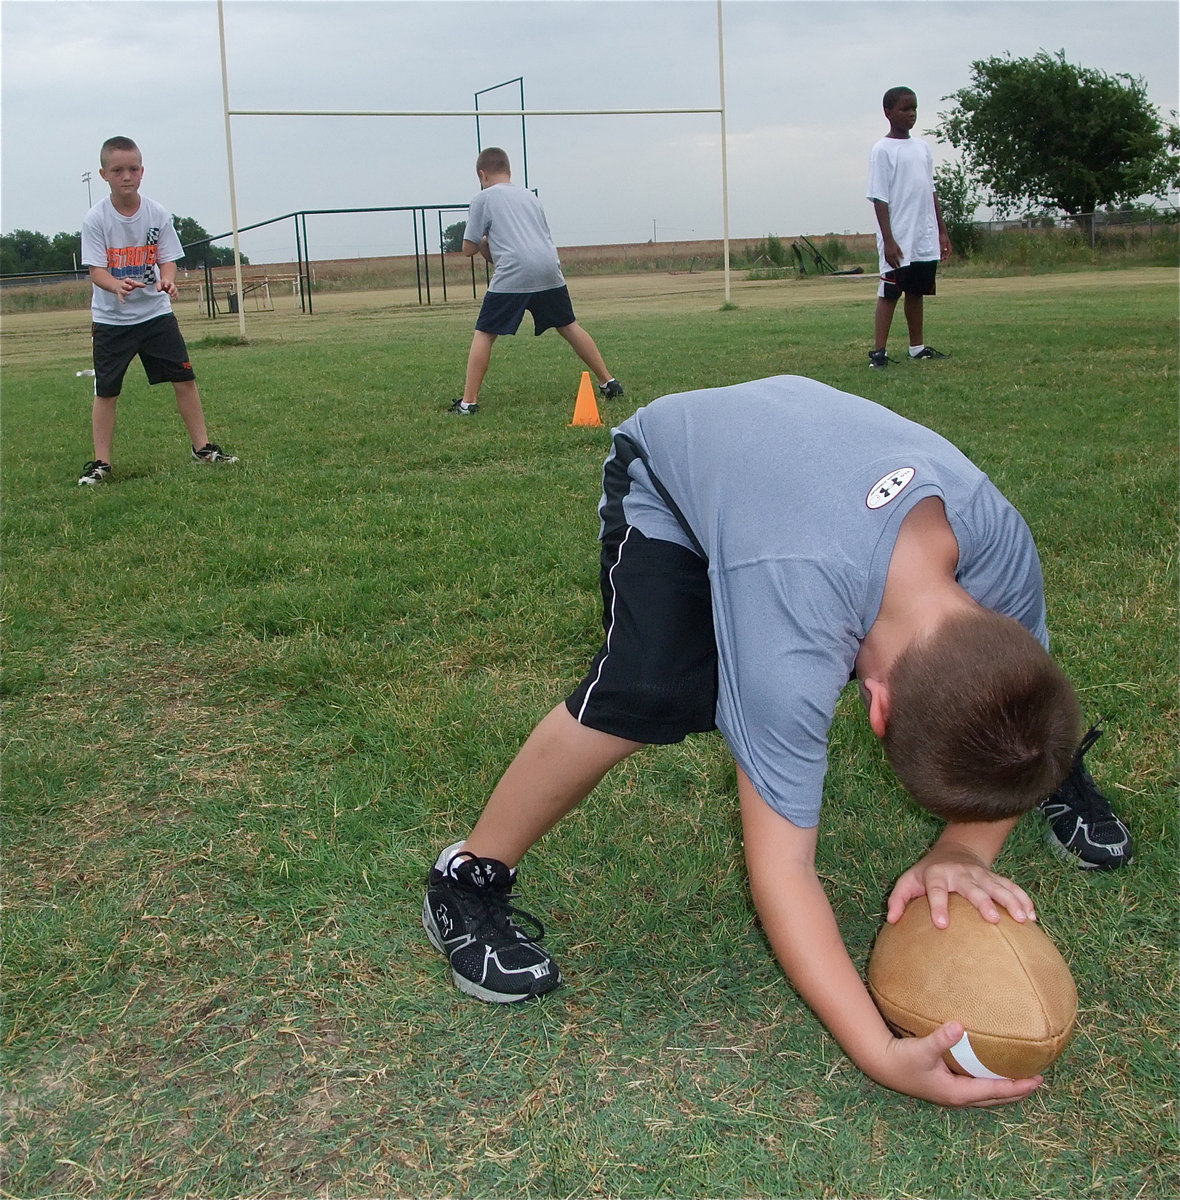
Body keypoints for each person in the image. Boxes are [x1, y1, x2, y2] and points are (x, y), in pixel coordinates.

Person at [423, 374, 1133, 1108]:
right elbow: (783, 870)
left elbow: (1022, 680)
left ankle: (1034, 770)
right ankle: (466, 876)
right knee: (648, 692)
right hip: (678, 467)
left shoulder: (998, 546)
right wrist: (880, 1051)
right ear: (874, 707)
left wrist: (962, 847)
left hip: (809, 469)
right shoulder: (788, 649)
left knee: (1021, 731)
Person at [77, 136, 237, 485]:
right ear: (104, 174)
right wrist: (116, 285)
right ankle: (100, 463)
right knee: (106, 391)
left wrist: (167, 280)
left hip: (155, 316)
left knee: (184, 379)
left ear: (142, 171)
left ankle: (203, 449)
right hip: (112, 320)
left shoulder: (157, 213)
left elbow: (167, 259)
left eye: (133, 168)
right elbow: (96, 271)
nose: (127, 176)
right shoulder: (95, 219)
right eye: (118, 170)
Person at [446, 147, 622, 415]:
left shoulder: (483, 198)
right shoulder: (530, 197)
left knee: (485, 332)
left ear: (482, 174)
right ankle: (609, 382)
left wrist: (484, 241)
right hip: (549, 268)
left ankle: (468, 403)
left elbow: (468, 248)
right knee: (569, 325)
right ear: (509, 171)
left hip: (515, 271)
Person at [867, 87, 951, 368]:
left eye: (914, 108)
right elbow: (879, 198)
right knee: (890, 293)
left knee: (917, 292)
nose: (911, 113)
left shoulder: (922, 148)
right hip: (898, 237)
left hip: (922, 237)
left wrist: (941, 230)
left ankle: (917, 347)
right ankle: (879, 352)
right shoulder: (882, 151)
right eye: (905, 109)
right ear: (888, 113)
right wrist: (888, 240)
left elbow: (931, 191)